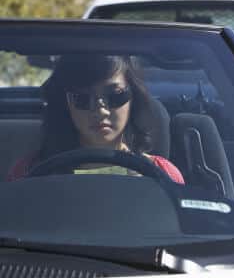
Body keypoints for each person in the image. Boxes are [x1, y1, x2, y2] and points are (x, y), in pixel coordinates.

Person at [7, 55, 184, 183]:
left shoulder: (163, 174)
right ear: (65, 103)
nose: (100, 110)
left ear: (134, 98)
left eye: (115, 95)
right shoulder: (28, 174)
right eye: (82, 99)